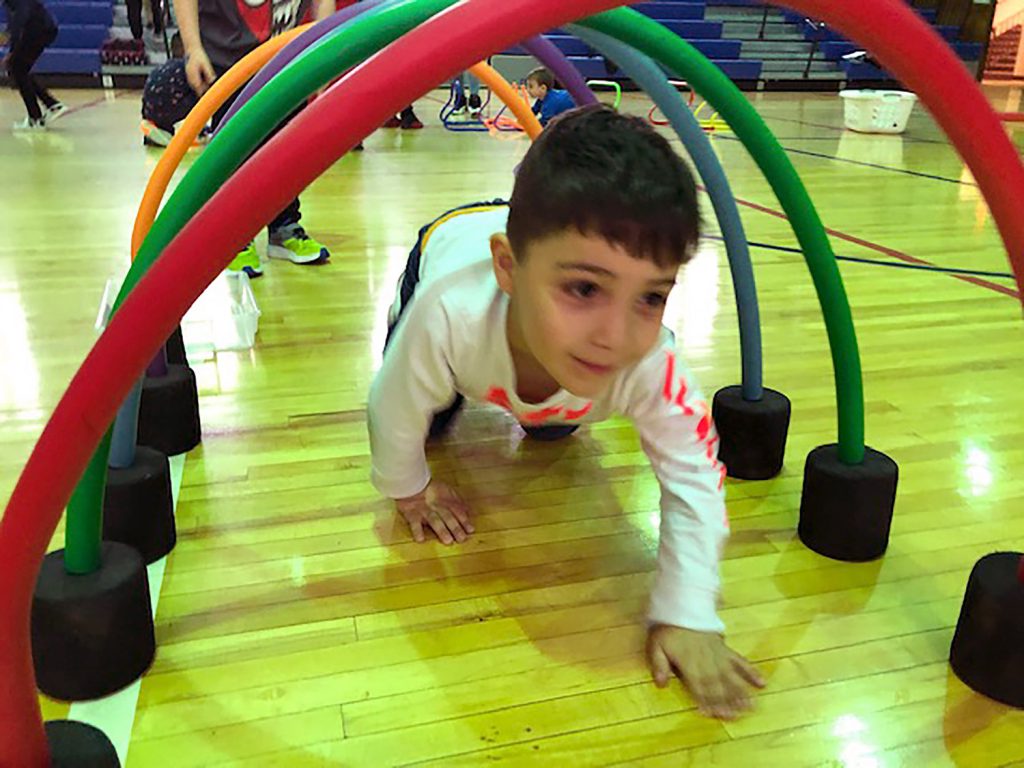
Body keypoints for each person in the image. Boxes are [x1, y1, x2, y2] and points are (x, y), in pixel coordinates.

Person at [366, 105, 765, 720]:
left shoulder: (647, 360)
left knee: (553, 423)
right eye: (584, 289)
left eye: (651, 297)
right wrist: (409, 488)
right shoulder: (447, 312)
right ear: (508, 267)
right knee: (430, 414)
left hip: (523, 277)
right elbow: (392, 403)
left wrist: (689, 610)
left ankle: (549, 380)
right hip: (447, 241)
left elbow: (695, 477)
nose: (615, 334)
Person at [173, 0, 335, 277]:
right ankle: (234, 236)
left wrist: (324, 50)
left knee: (285, 147)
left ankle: (284, 225)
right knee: (234, 150)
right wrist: (193, 48)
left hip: (285, 54)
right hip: (227, 58)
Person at [2, 0, 66, 130]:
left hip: (38, 29)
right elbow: (14, 22)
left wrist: (12, 50)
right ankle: (51, 104)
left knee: (17, 69)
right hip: (43, 28)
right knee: (20, 70)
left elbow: (21, 17)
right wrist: (9, 41)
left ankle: (36, 118)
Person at [140, 33, 202, 147]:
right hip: (176, 111)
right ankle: (192, 132)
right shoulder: (186, 69)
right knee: (198, 88)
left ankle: (158, 131)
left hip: (151, 112)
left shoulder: (159, 69)